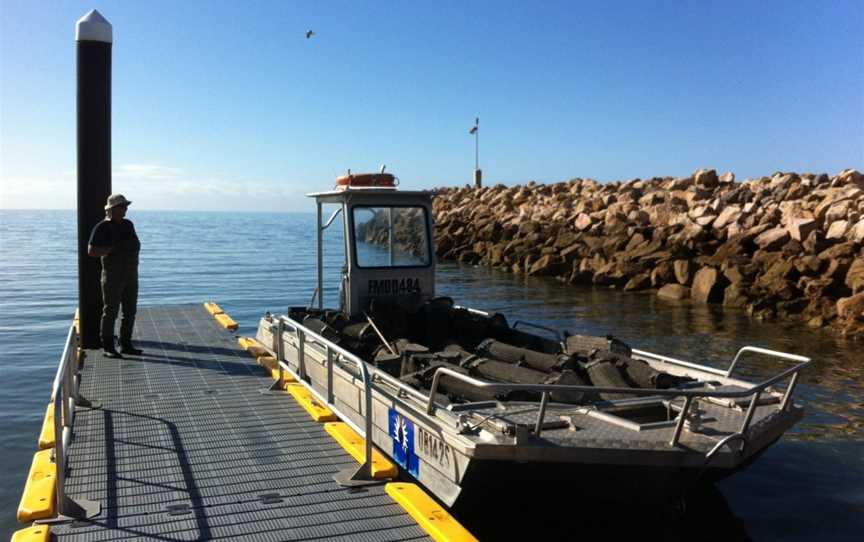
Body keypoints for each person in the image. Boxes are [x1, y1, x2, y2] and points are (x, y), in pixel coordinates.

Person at [88, 194, 142, 358]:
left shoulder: (128, 224)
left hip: (131, 275)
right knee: (110, 311)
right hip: (112, 277)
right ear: (112, 209)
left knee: (130, 311)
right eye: (122, 206)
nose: (125, 209)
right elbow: (91, 251)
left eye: (126, 206)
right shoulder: (102, 227)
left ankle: (126, 344)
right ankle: (108, 347)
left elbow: (135, 244)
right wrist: (111, 249)